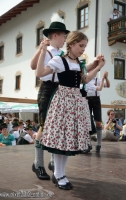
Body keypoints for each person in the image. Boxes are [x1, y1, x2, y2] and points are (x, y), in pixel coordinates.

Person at [36, 30, 105, 190]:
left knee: (67, 141)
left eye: (85, 46)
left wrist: (98, 66)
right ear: (71, 44)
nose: (83, 49)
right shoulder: (59, 60)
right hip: (62, 101)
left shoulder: (79, 63)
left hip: (76, 103)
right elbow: (40, 73)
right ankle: (59, 174)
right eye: (81, 45)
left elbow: (86, 79)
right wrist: (41, 52)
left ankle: (60, 173)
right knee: (60, 139)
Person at [30, 13, 70, 180]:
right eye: (64, 36)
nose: (65, 39)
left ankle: (53, 161)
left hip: (60, 89)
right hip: (47, 88)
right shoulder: (46, 49)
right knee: (44, 126)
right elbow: (33, 66)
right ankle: (38, 163)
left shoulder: (63, 53)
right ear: (55, 35)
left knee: (57, 127)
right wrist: (41, 49)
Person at [84, 71, 110, 153]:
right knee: (87, 122)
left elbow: (108, 85)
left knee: (98, 122)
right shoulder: (85, 80)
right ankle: (88, 144)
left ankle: (98, 144)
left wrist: (105, 78)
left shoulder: (97, 80)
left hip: (96, 100)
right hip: (86, 100)